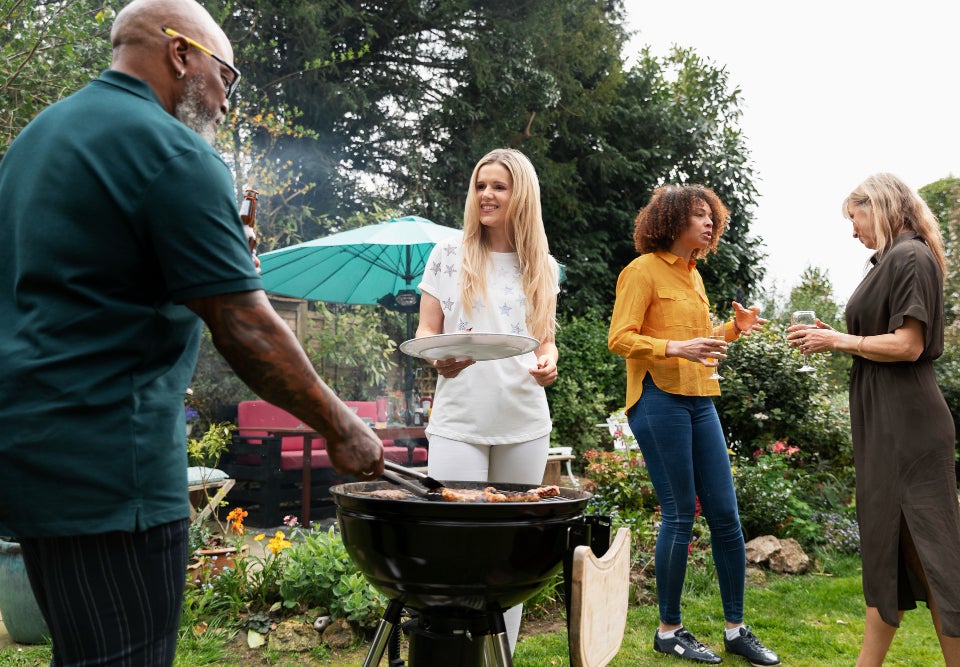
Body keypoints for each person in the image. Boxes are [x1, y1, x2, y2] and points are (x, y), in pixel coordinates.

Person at [0, 1, 384, 665]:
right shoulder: (175, 151)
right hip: (112, 473)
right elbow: (245, 327)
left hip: (32, 458)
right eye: (226, 77)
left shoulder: (37, 140)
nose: (228, 103)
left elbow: (87, 284)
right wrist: (343, 427)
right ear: (181, 54)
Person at [787, 173, 960, 666]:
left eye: (854, 218)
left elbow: (909, 344)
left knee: (936, 555)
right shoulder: (889, 261)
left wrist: (839, 342)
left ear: (880, 207)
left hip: (907, 425)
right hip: (885, 421)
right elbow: (883, 335)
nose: (852, 231)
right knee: (888, 547)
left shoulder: (910, 256)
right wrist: (841, 334)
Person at [608, 184, 779, 666]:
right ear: (673, 219)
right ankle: (669, 630)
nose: (709, 223)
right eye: (700, 215)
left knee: (726, 514)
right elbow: (619, 338)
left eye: (712, 217)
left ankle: (735, 628)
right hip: (658, 398)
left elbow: (700, 341)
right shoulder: (641, 271)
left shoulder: (695, 277)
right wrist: (673, 348)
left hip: (701, 399)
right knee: (680, 513)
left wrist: (733, 330)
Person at [414, 147, 559, 651]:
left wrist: (549, 361)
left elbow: (544, 339)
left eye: (498, 186)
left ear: (521, 194)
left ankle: (503, 658)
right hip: (459, 420)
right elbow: (427, 331)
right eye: (480, 186)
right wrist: (440, 360)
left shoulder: (542, 264)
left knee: (509, 555)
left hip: (524, 420)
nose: (486, 195)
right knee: (456, 550)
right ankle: (454, 657)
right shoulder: (448, 255)